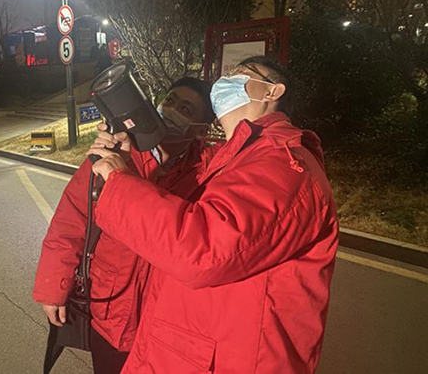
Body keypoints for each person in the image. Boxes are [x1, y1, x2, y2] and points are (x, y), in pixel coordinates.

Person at [88, 55, 339, 374]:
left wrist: (119, 181)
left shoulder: (283, 165)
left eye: (239, 74)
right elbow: (172, 219)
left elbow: (200, 249)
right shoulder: (235, 159)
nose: (224, 82)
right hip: (195, 352)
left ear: (272, 91)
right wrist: (129, 169)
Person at [33, 77, 216, 373]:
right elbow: (72, 217)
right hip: (111, 312)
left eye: (186, 109)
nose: (172, 111)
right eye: (169, 101)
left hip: (165, 323)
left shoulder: (209, 173)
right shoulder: (116, 153)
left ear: (201, 130)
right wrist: (54, 286)